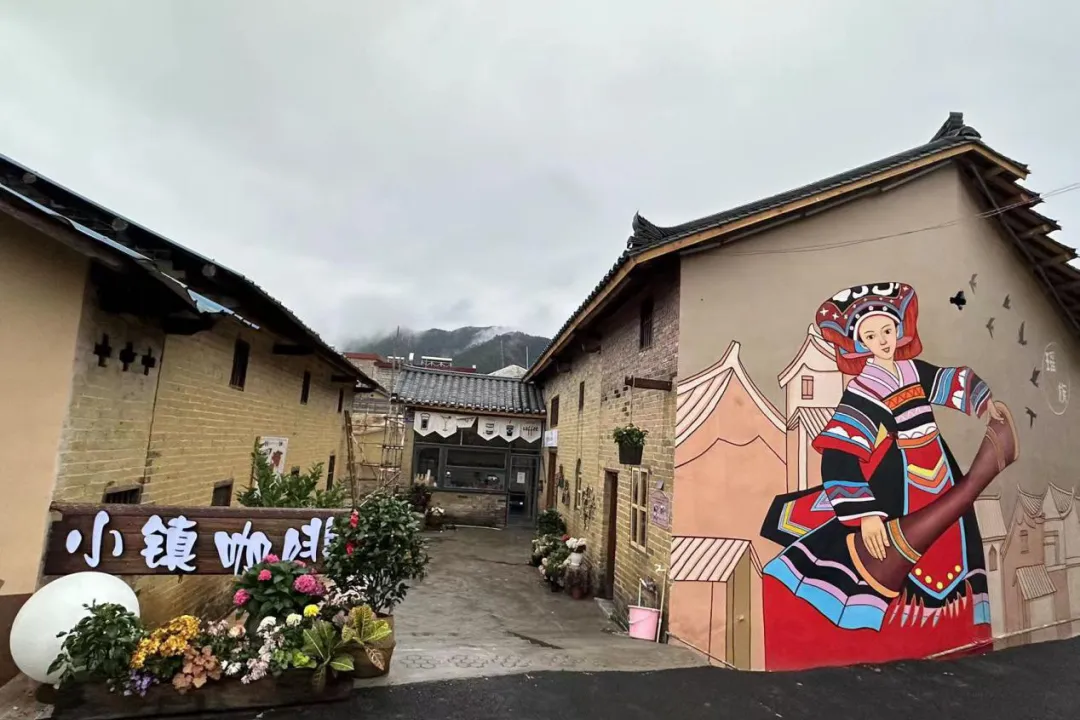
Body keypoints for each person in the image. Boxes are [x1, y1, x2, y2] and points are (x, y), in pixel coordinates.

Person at [760, 282, 998, 669]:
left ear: (899, 330)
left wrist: (985, 402)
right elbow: (839, 453)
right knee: (896, 560)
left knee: (955, 543)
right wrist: (867, 515)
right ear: (860, 343)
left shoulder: (912, 370)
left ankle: (957, 636)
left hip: (941, 467)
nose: (882, 341)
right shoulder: (864, 389)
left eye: (887, 330)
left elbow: (950, 381)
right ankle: (906, 641)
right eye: (871, 336)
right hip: (900, 478)